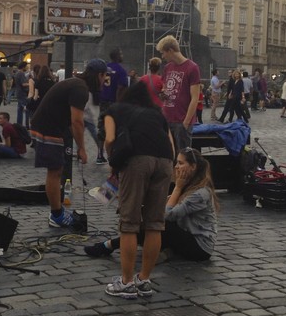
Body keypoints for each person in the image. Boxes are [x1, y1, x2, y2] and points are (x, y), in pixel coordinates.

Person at [98, 82, 175, 299]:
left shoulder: (113, 110)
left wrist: (114, 163)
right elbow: (171, 144)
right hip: (165, 162)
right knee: (155, 223)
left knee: (129, 223)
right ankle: (144, 280)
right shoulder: (156, 114)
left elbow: (110, 139)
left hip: (137, 161)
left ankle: (126, 282)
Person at [86, 147, 217, 268]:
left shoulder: (199, 193)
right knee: (152, 223)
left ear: (193, 167)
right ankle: (167, 251)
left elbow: (167, 216)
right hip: (186, 234)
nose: (176, 167)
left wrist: (178, 188)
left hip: (200, 246)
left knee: (159, 224)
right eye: (176, 163)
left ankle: (109, 245)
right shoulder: (188, 184)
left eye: (180, 163)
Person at [30, 58, 107, 227]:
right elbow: (77, 122)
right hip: (48, 127)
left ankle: (57, 211)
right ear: (99, 75)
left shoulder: (77, 84)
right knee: (55, 171)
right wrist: (82, 149)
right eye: (104, 76)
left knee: (57, 170)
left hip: (51, 125)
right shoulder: (81, 89)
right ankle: (56, 216)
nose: (105, 81)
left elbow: (74, 123)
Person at [157, 36, 201, 155]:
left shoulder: (192, 68)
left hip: (181, 121)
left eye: (163, 53)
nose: (163, 57)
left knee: (183, 157)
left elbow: (195, 98)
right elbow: (165, 87)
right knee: (167, 156)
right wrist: (163, 93)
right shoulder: (167, 67)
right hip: (167, 119)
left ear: (170, 51)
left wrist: (185, 123)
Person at [97, 48, 129, 164]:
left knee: (101, 127)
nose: (122, 55)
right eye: (121, 53)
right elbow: (122, 87)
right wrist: (118, 102)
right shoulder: (121, 70)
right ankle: (113, 154)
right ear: (117, 56)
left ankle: (99, 154)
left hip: (103, 101)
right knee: (115, 128)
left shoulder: (104, 68)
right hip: (113, 102)